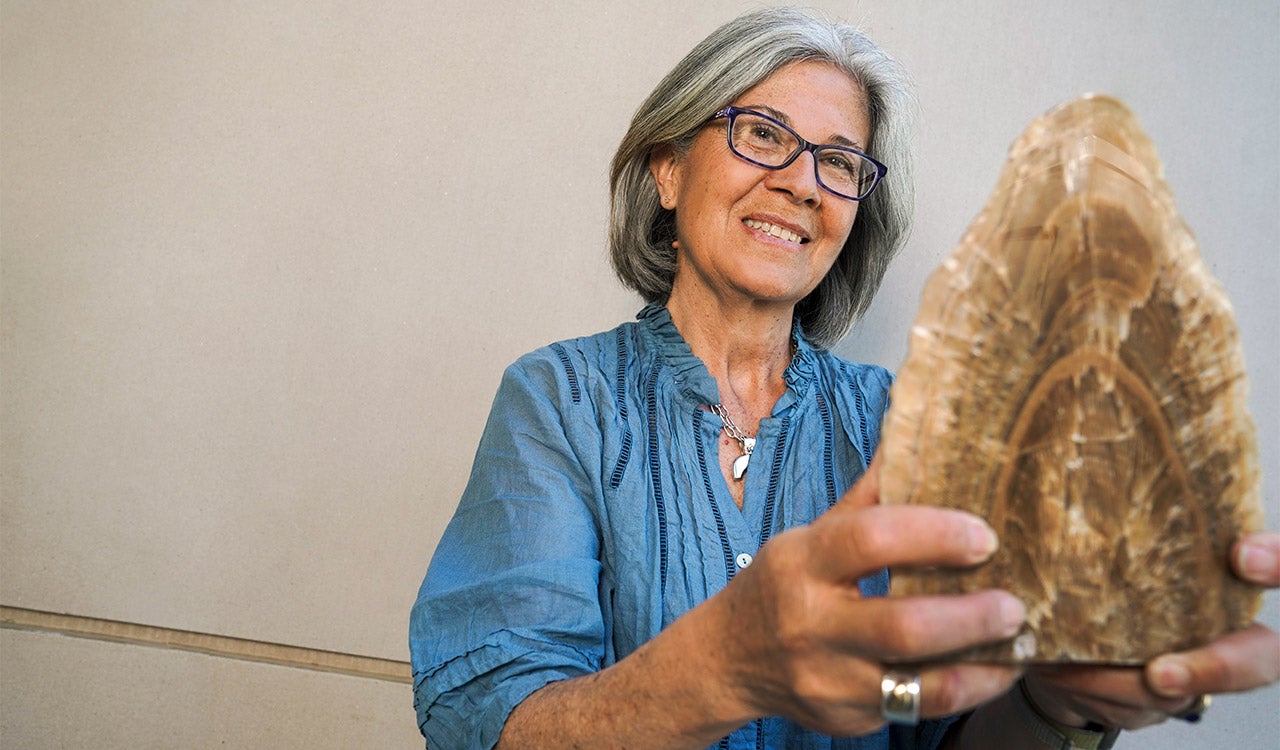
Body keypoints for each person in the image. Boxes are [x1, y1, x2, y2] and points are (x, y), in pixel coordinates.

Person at [409, 8, 1280, 748]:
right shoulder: (561, 402)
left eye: (839, 162)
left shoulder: (906, 428)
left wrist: (1059, 699)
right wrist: (720, 670)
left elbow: (936, 728)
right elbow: (492, 721)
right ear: (668, 169)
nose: (801, 183)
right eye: (761, 134)